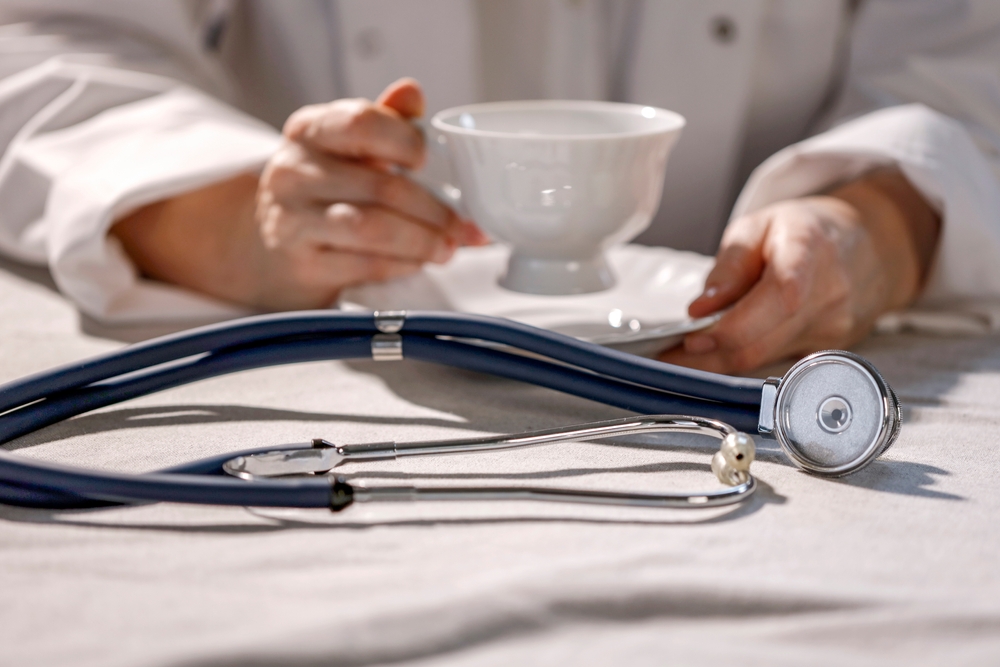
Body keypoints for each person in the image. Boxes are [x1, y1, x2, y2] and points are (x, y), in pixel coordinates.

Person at [1, 0, 999, 374]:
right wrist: (223, 218)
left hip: (760, 383)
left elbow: (967, 54)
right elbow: (40, 39)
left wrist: (880, 218)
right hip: (353, 382)